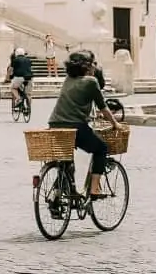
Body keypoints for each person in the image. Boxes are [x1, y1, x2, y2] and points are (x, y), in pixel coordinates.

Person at [47, 52, 123, 197]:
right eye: (93, 63)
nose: (95, 66)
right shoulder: (91, 81)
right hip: (75, 126)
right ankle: (94, 189)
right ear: (87, 67)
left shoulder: (68, 79)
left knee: (66, 161)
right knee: (101, 149)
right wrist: (115, 124)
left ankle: (58, 194)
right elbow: (103, 107)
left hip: (55, 124)